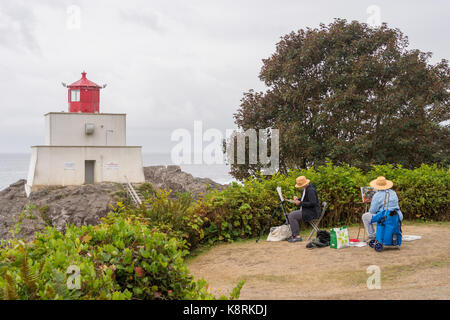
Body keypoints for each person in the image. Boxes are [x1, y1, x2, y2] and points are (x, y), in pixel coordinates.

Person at [362, 176, 404, 242]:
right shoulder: (393, 192)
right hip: (397, 216)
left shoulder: (377, 195)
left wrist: (372, 202)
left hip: (385, 217)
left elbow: (372, 211)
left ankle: (372, 236)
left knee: (365, 216)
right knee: (382, 215)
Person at [287, 176, 321, 243]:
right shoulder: (307, 188)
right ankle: (295, 235)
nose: (300, 187)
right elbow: (306, 199)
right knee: (292, 215)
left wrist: (300, 203)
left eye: (300, 185)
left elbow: (313, 203)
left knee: (292, 215)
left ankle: (297, 236)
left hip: (312, 212)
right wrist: (298, 200)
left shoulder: (310, 190)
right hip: (308, 210)